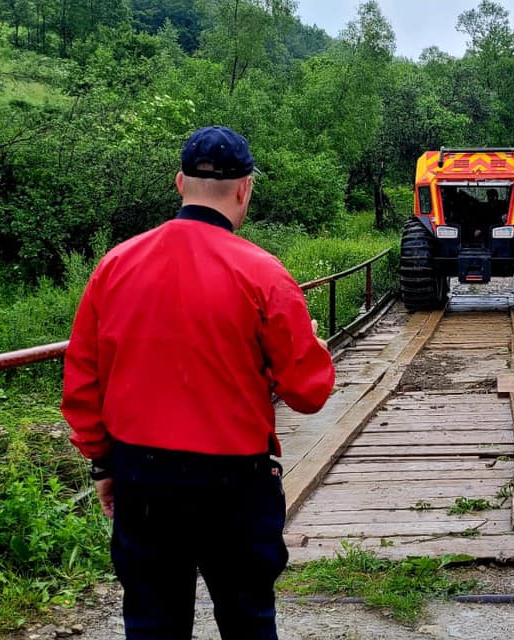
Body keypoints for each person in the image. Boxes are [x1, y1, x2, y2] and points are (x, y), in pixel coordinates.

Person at [61, 125, 336, 639]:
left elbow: (82, 380)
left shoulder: (114, 266)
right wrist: (313, 349)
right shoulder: (265, 275)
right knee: (249, 622)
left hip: (143, 480)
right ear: (245, 188)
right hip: (235, 483)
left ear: (179, 182)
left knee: (152, 625)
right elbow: (309, 391)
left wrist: (103, 463)